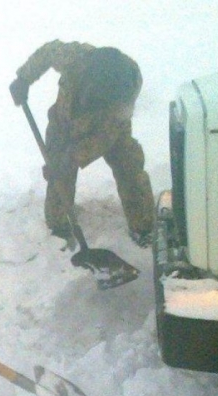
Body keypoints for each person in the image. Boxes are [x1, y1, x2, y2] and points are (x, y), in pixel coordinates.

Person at [9, 40, 155, 247]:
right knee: (59, 170)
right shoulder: (76, 57)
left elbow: (99, 141)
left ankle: (143, 227)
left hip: (109, 127)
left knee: (128, 163)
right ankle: (58, 226)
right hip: (63, 122)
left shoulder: (125, 89)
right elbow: (49, 51)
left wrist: (72, 156)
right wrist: (24, 78)